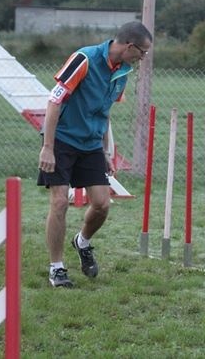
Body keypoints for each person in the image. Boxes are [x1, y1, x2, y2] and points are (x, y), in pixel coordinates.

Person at [38, 21, 153, 287]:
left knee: (101, 204)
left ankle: (82, 242)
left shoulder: (122, 72)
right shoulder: (84, 59)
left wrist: (104, 150)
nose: (143, 58)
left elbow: (104, 112)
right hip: (63, 141)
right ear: (129, 46)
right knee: (59, 203)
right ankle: (57, 268)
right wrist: (48, 147)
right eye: (143, 52)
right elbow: (54, 101)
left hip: (91, 144)